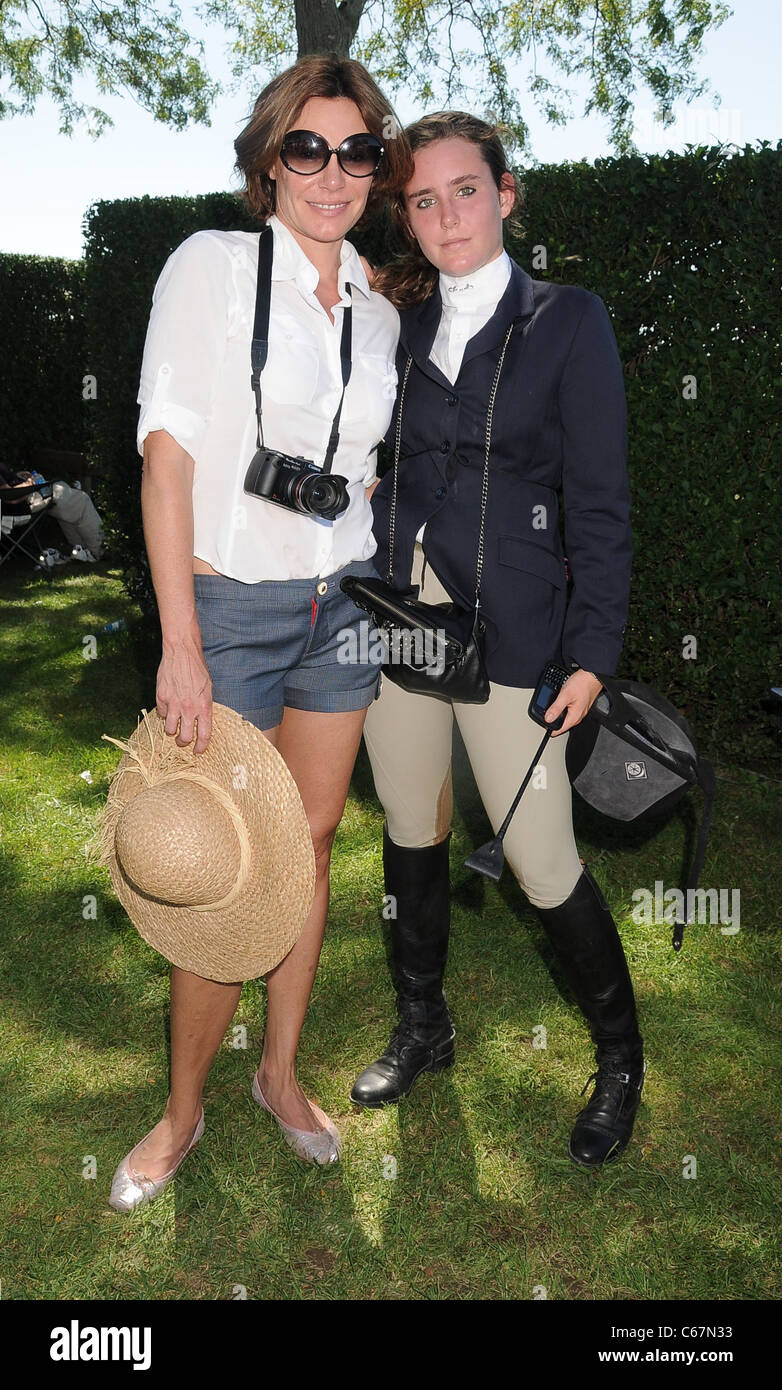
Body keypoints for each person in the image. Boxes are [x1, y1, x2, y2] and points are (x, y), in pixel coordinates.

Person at [109, 56, 412, 1211]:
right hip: (228, 603)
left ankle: (279, 1078)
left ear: (375, 169)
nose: (332, 173)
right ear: (268, 160)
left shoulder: (379, 313)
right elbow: (169, 455)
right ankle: (181, 1112)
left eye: (356, 151)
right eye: (308, 149)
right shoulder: (213, 269)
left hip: (342, 605)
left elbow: (362, 471)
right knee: (221, 864)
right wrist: (180, 642)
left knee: (311, 843)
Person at [351, 112, 644, 1168]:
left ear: (507, 194)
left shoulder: (570, 320)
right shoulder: (402, 323)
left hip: (517, 628)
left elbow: (601, 505)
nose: (445, 216)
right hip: (403, 616)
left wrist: (593, 651)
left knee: (536, 853)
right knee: (410, 823)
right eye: (422, 200)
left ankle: (620, 1061)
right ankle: (423, 1024)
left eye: (464, 191)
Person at [0, 459, 105, 563]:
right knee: (80, 499)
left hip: (23, 500)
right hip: (21, 505)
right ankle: (97, 551)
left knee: (66, 499)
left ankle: (82, 550)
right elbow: (10, 497)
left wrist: (17, 476)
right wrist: (28, 484)